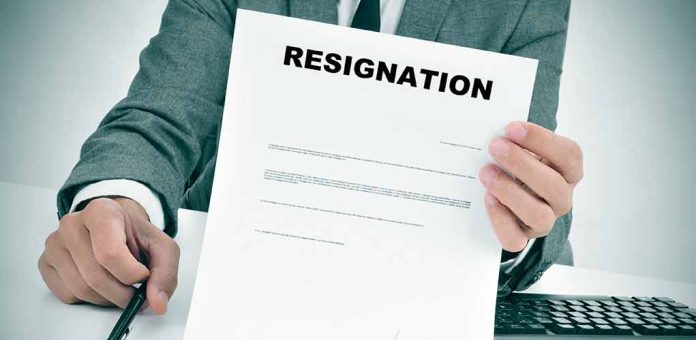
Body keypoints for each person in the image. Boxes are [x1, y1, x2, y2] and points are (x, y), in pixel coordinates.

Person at [38, 0, 583, 313]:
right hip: (227, 292)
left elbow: (528, 175)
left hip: (411, 308)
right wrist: (119, 199)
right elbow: (162, 110)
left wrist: (522, 224)